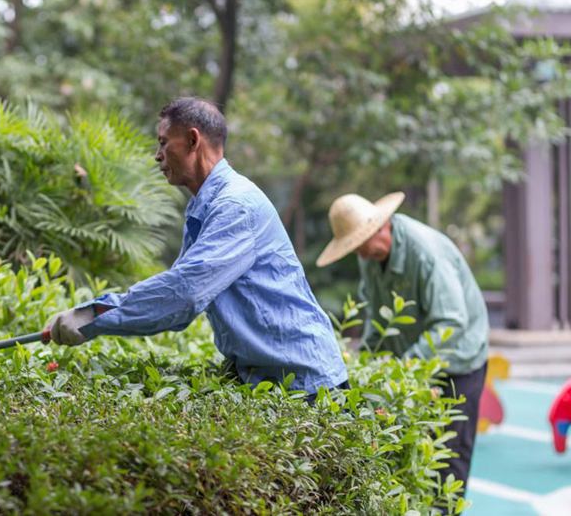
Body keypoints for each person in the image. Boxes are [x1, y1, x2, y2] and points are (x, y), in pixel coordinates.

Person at [44, 97, 347, 397]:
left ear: (192, 140)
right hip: (266, 379)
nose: (157, 155)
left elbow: (183, 294)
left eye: (163, 143)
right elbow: (179, 308)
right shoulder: (207, 205)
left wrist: (93, 315)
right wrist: (93, 315)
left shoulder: (235, 206)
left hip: (307, 386)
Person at [316, 192, 489, 498]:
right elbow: (375, 322)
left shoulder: (426, 253)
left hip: (458, 360)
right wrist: (364, 368)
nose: (358, 252)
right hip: (413, 364)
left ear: (380, 228)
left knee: (449, 457)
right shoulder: (370, 258)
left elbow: (451, 323)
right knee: (408, 454)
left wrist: (407, 366)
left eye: (359, 243)